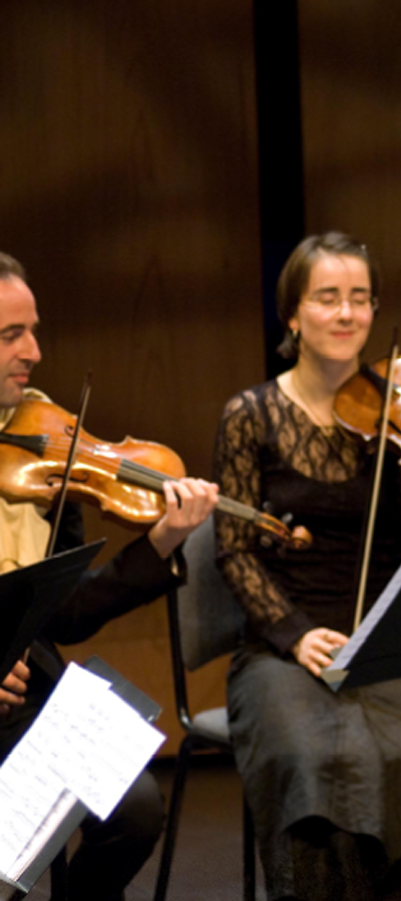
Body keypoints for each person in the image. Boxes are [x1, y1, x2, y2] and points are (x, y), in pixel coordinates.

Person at [213, 232, 401, 901]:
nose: (347, 313)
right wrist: (294, 633)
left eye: (360, 298)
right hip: (284, 650)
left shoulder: (397, 414)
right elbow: (233, 549)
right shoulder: (250, 416)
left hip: (386, 642)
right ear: (293, 314)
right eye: (328, 298)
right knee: (318, 758)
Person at [0, 251, 219, 901]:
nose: (35, 350)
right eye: (11, 335)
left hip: (24, 683)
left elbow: (63, 614)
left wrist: (164, 537)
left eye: (34, 329)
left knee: (134, 809)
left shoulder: (40, 438)